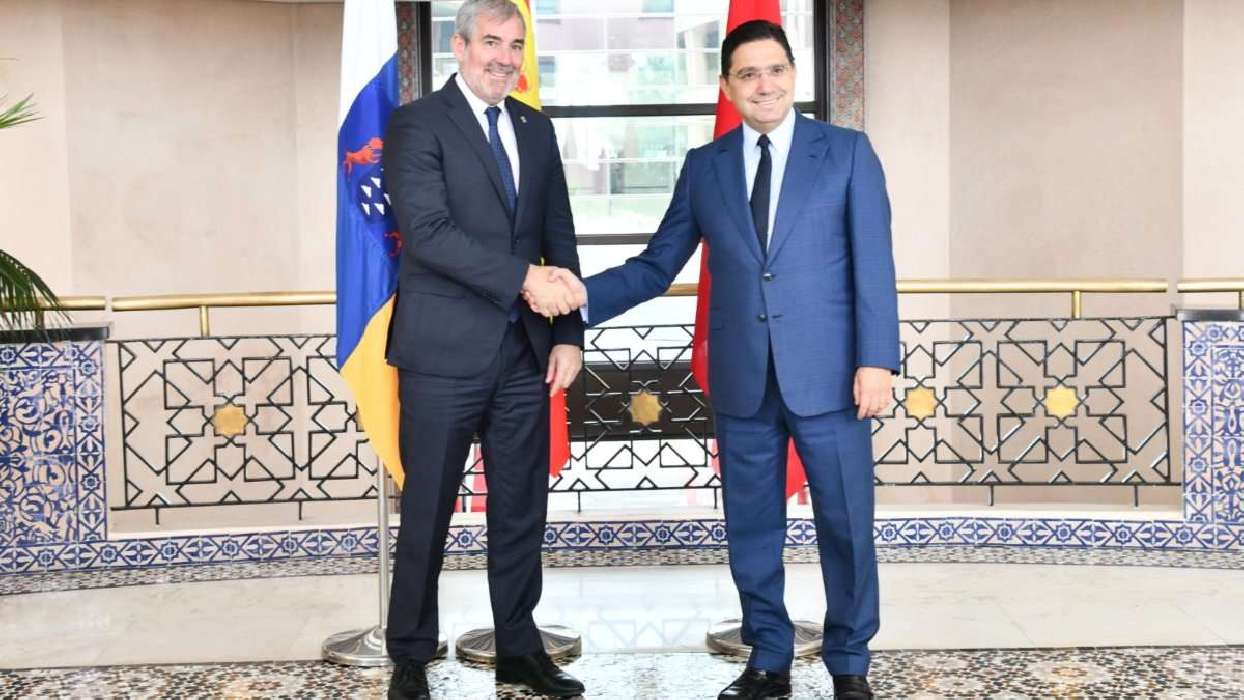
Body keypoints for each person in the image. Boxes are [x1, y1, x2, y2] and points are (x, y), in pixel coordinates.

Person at [539, 20, 899, 700]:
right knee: (752, 528)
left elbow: (874, 266)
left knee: (847, 526)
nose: (764, 84)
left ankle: (850, 663)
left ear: (793, 75)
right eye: (748, 74)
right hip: (742, 380)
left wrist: (877, 361)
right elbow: (657, 265)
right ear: (728, 86)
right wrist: (581, 298)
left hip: (832, 378)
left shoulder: (847, 153)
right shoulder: (705, 167)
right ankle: (768, 657)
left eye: (775, 70)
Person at [380, 0, 587, 697]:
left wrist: (568, 335)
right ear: (460, 46)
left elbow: (559, 233)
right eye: (492, 42)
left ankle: (520, 650)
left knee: (521, 510)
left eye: (515, 44)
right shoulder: (417, 124)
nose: (505, 57)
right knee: (429, 511)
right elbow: (429, 234)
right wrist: (525, 279)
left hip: (525, 354)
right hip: (442, 355)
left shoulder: (535, 127)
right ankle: (411, 655)